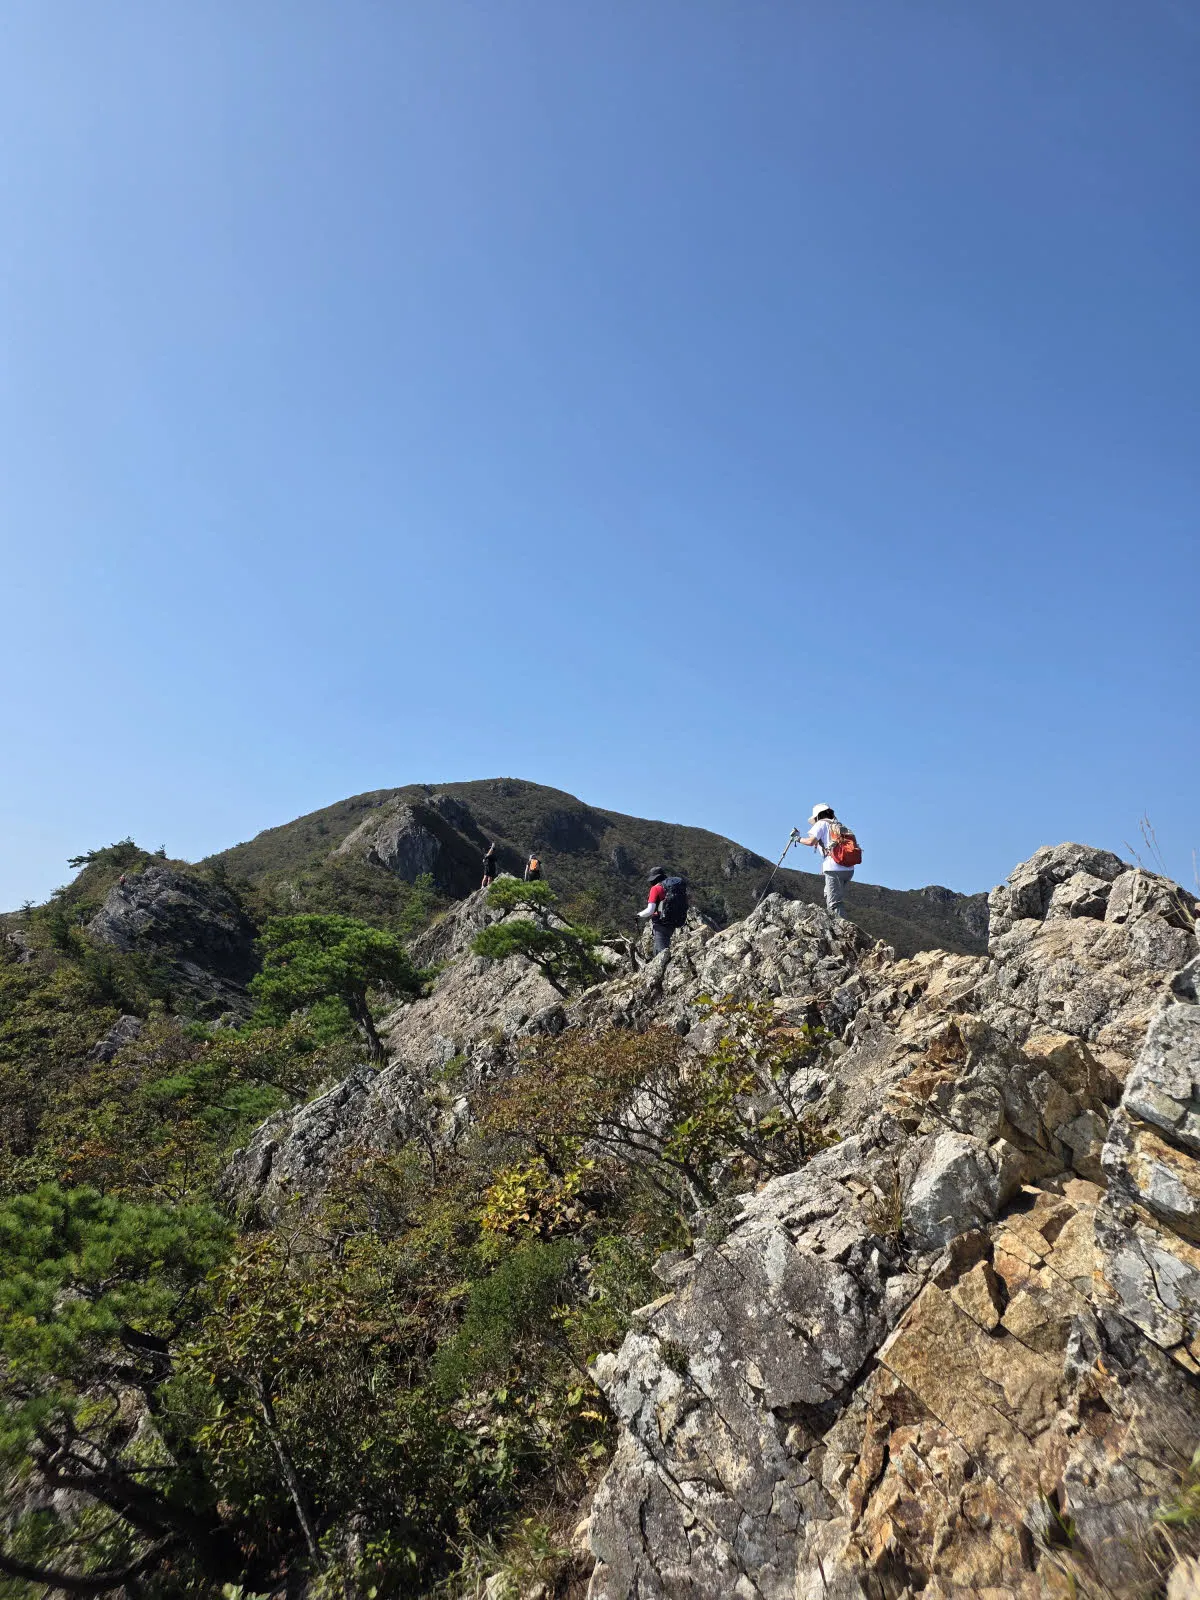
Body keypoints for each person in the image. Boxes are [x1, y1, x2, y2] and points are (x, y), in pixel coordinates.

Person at [797, 803, 856, 920]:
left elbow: (811, 842)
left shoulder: (821, 824)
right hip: (848, 868)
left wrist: (797, 838)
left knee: (834, 903)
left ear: (818, 816)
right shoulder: (838, 825)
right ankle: (838, 925)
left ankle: (841, 930)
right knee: (829, 894)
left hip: (834, 868)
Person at [638, 866, 688, 955]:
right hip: (674, 921)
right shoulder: (671, 887)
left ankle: (664, 968)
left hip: (661, 924)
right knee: (661, 948)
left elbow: (650, 910)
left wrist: (639, 915)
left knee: (661, 953)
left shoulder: (656, 888)